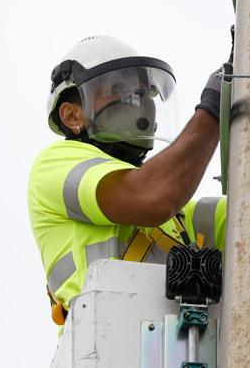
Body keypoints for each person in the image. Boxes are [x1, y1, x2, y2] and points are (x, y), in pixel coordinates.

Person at [27, 35, 232, 325]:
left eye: (145, 91)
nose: (139, 100)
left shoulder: (178, 217)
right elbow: (150, 196)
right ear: (72, 115)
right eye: (116, 88)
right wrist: (215, 108)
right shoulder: (54, 164)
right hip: (102, 347)